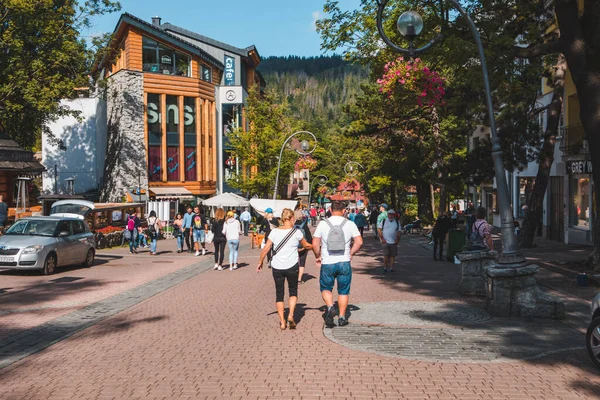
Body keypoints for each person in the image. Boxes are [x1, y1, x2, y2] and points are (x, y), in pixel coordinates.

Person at [258, 208, 313, 330]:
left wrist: (260, 261)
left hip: (277, 266)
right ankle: (291, 315)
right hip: (292, 265)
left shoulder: (274, 232)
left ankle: (282, 321)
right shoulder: (297, 232)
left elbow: (266, 248)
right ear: (292, 218)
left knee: (279, 293)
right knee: (293, 291)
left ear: (282, 219)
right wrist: (316, 247)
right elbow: (307, 245)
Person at [313, 200, 363, 328]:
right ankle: (342, 317)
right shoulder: (350, 224)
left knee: (325, 288)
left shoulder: (323, 224)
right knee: (343, 291)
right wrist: (351, 253)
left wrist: (318, 256)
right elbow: (359, 242)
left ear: (330, 210)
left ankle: (330, 307)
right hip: (344, 261)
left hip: (328, 262)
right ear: (344, 211)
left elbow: (315, 244)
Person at [294, 209, 312, 285]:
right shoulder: (304, 224)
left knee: (294, 262)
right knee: (302, 262)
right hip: (303, 246)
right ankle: (299, 279)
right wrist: (309, 245)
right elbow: (309, 236)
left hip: (293, 247)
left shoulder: (291, 225)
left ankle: (293, 276)